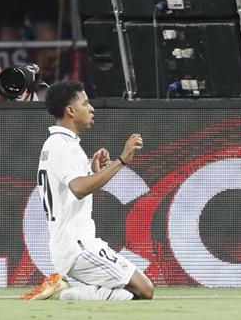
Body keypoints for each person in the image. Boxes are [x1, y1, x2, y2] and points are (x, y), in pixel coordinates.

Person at [21, 80, 154, 301]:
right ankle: (63, 292)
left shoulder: (58, 143)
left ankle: (65, 290)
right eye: (85, 103)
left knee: (137, 292)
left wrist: (92, 171)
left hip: (72, 243)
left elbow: (74, 188)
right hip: (78, 245)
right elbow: (78, 188)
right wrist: (122, 160)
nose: (91, 108)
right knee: (145, 290)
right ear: (70, 110)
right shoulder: (63, 145)